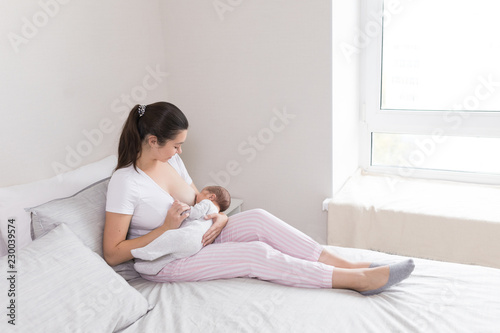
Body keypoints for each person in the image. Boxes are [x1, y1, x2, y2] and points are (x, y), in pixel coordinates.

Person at [103, 102, 414, 295]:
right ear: (153, 140)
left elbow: (199, 198)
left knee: (259, 218)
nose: (180, 152)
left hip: (200, 234)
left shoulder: (170, 161)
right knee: (255, 253)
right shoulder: (125, 182)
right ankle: (356, 280)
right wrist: (167, 228)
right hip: (168, 260)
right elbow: (113, 254)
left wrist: (221, 216)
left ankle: (345, 263)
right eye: (176, 145)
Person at [131, 185, 231, 275]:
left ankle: (146, 252)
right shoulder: (216, 217)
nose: (197, 196)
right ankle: (150, 268)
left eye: (201, 193)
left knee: (168, 237)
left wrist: (182, 207)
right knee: (171, 256)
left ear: (211, 197)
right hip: (197, 245)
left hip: (188, 236)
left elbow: (194, 213)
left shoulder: (207, 203)